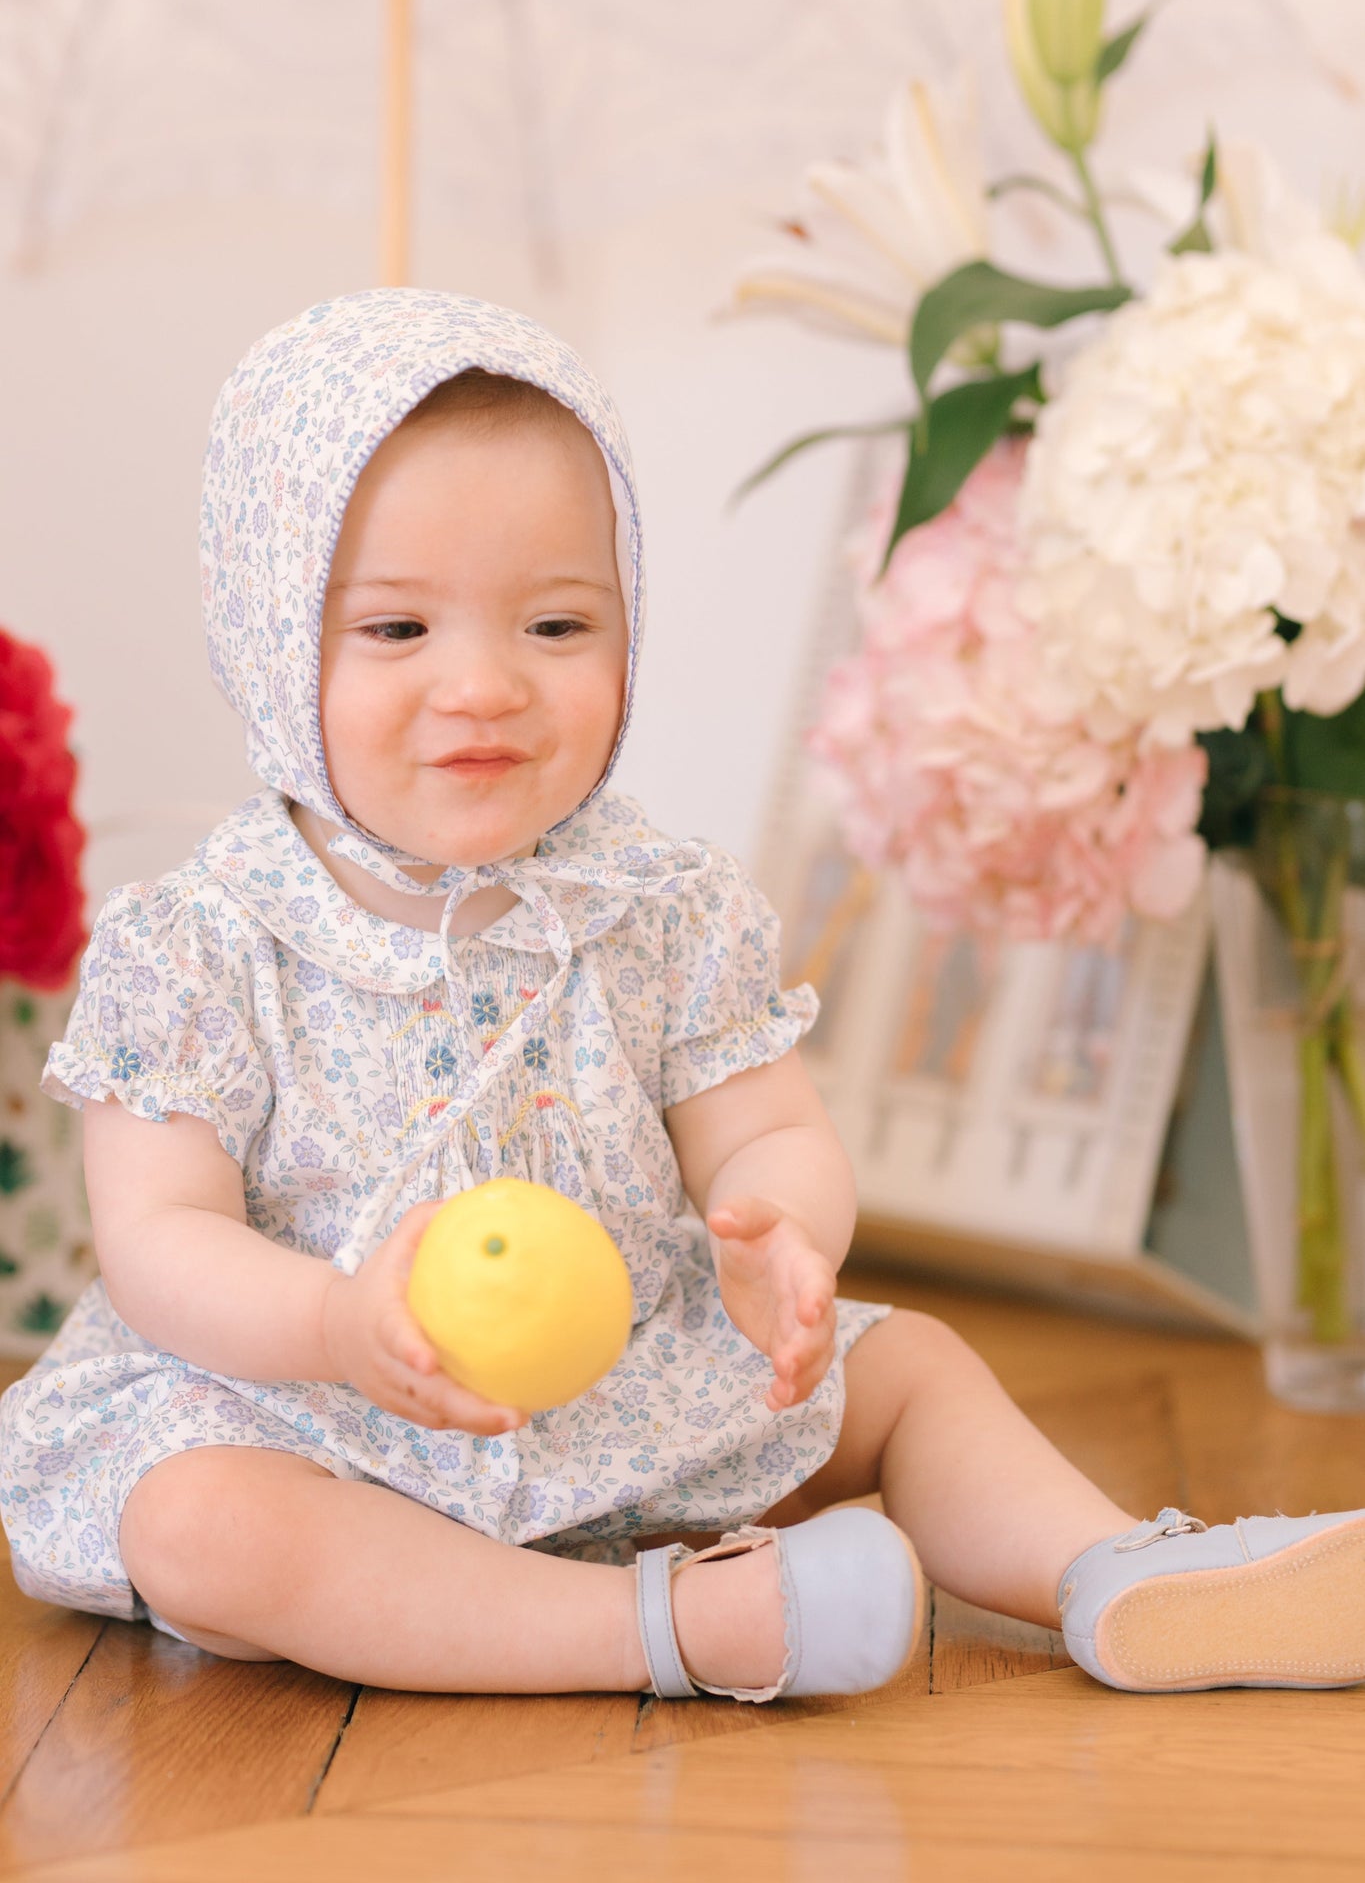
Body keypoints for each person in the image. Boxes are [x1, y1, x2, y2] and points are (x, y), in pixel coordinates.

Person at [3, 289, 1362, 1702]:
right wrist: (338, 1326)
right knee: (204, 1526)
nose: (483, 686)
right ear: (273, 640)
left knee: (909, 1368)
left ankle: (1119, 1574)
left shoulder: (662, 903)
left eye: (554, 624)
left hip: (622, 1390)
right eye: (398, 630)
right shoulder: (203, 942)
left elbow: (762, 1137)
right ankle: (664, 1632)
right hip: (318, 1417)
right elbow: (158, 1238)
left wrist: (786, 1231)